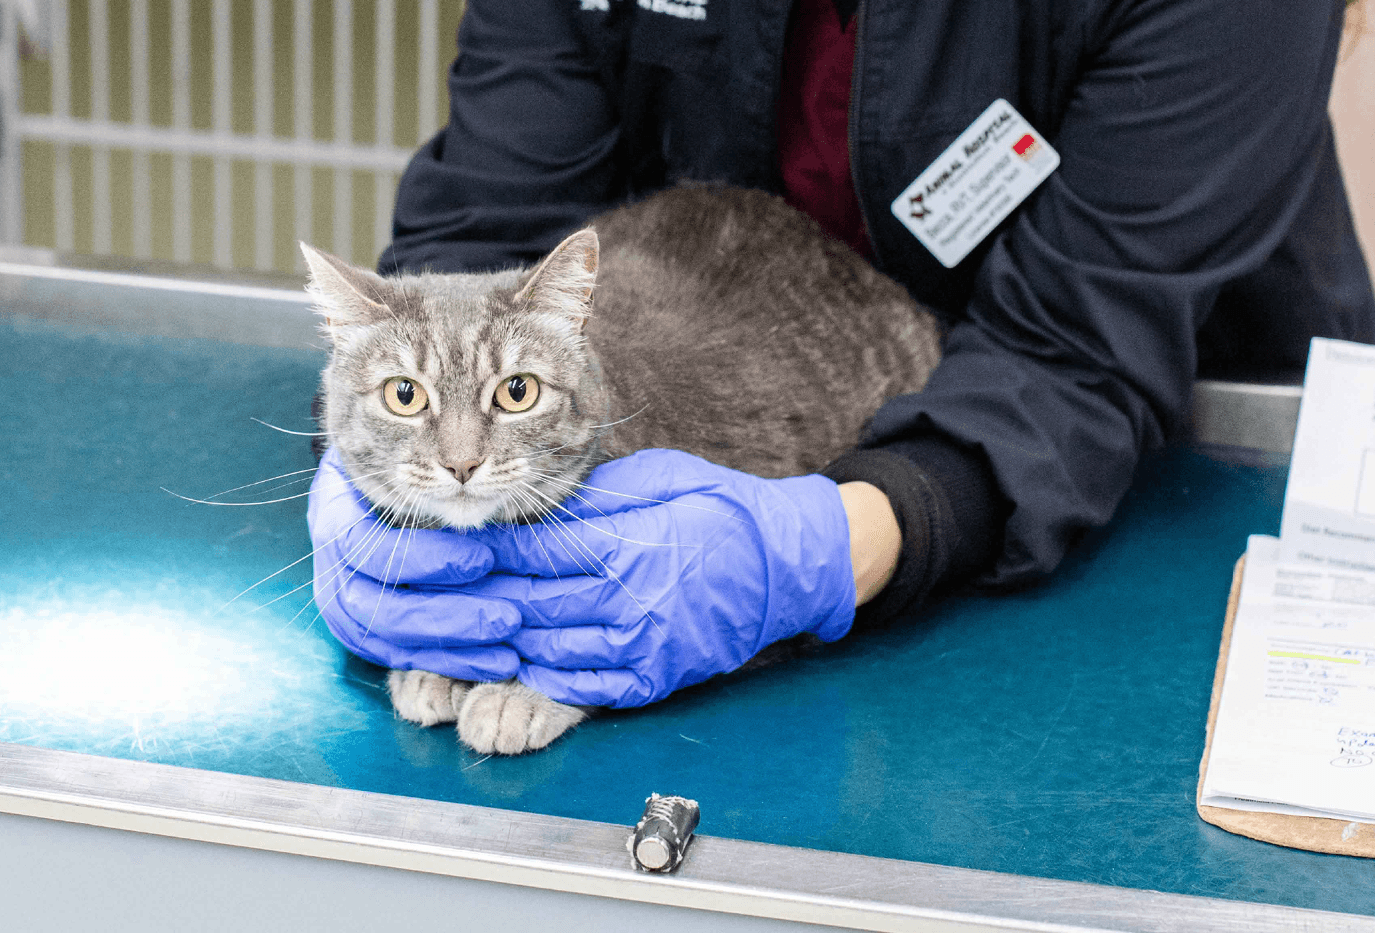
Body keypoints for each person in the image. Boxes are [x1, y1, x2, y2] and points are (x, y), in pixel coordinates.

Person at [306, 0, 1375, 709]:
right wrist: (378, 455)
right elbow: (495, 217)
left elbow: (1077, 353)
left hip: (1175, 445)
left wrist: (818, 550)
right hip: (707, 359)